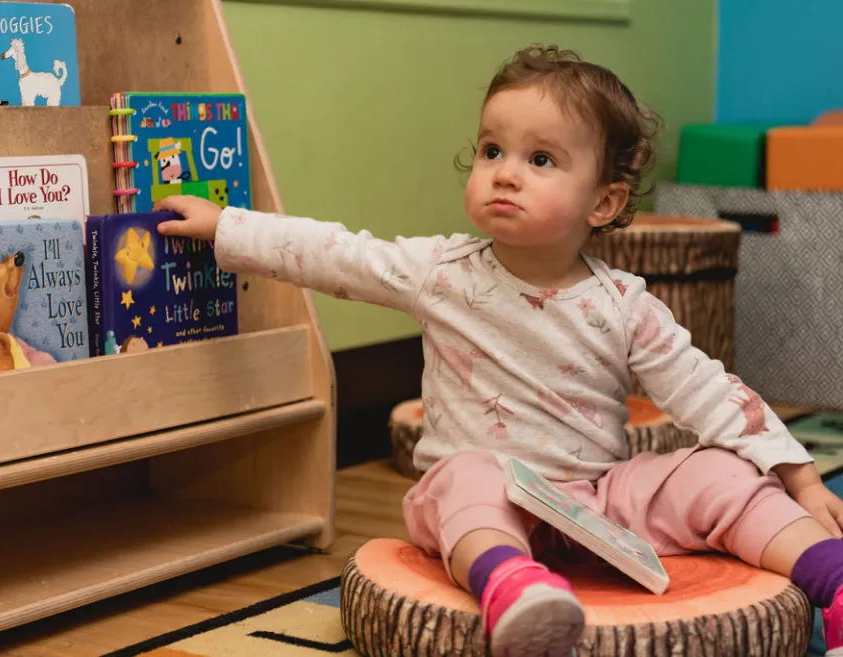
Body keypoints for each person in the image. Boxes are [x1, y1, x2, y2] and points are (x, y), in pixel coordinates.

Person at [154, 44, 843, 657]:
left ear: (602, 202)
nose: (505, 173)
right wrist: (227, 228)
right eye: (492, 151)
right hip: (488, 506)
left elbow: (707, 389)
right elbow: (334, 252)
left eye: (540, 159)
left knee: (716, 471)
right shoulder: (441, 271)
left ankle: (832, 581)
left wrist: (802, 479)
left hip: (598, 503)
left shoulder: (624, 302)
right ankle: (514, 591)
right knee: (463, 475)